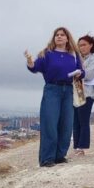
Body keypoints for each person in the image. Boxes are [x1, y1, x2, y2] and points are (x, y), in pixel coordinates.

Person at [24, 27, 84, 167]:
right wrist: (30, 62)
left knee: (66, 125)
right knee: (50, 124)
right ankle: (47, 158)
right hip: (52, 90)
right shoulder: (47, 54)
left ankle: (60, 156)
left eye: (62, 35)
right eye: (57, 35)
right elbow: (34, 67)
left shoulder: (74, 55)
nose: (59, 37)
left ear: (67, 38)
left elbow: (82, 71)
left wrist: (79, 73)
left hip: (68, 91)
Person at [73, 34, 94, 155]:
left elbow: (88, 75)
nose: (81, 47)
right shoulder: (76, 58)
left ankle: (82, 146)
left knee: (83, 120)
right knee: (75, 121)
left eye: (84, 45)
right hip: (75, 92)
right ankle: (76, 146)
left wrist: (78, 72)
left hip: (87, 93)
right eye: (79, 45)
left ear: (91, 45)